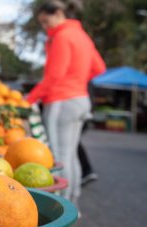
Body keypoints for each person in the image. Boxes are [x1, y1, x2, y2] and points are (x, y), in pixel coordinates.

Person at [26, 0, 106, 208]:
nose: (45, 27)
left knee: (60, 156)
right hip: (80, 99)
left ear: (59, 13)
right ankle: (73, 202)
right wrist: (77, 79)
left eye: (46, 21)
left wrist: (29, 99)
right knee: (70, 155)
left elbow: (54, 75)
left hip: (62, 101)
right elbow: (99, 68)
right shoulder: (82, 36)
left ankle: (61, 206)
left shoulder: (61, 37)